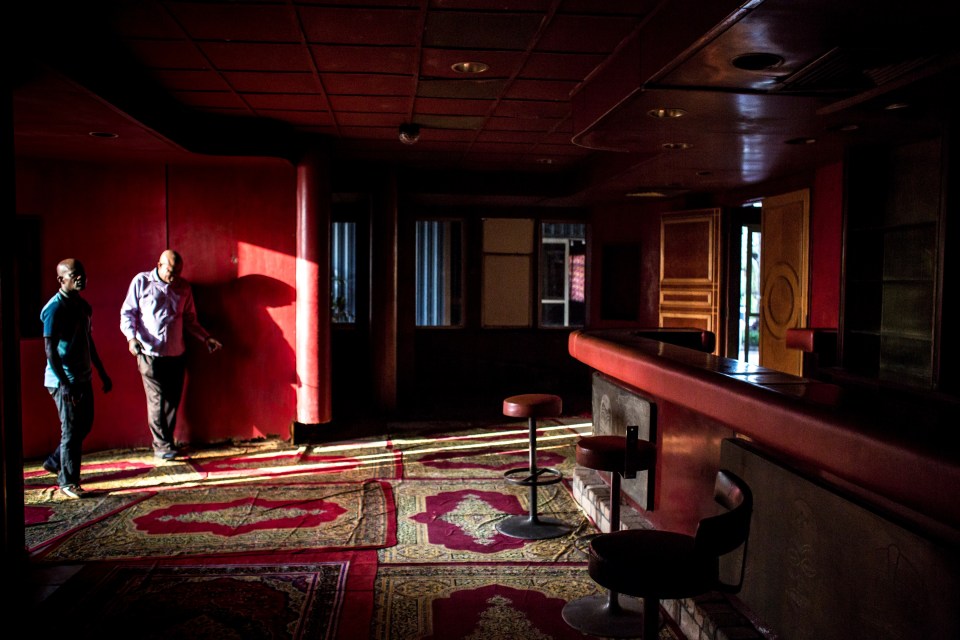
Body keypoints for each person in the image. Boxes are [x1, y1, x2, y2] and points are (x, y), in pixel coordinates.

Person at [120, 249, 222, 460]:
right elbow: (128, 313)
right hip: (149, 353)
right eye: (170, 271)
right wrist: (132, 338)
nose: (173, 276)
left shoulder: (184, 288)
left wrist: (206, 338)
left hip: (176, 353)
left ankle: (166, 442)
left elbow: (189, 319)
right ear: (159, 265)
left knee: (171, 402)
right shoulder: (141, 282)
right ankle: (161, 446)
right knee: (157, 400)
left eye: (177, 272)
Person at [41, 258, 112, 499]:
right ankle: (68, 481)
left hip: (83, 377)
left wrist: (101, 372)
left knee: (85, 425)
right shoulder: (54, 308)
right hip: (63, 380)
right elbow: (49, 349)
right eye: (74, 275)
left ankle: (54, 460)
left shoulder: (84, 307)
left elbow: (87, 341)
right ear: (62, 280)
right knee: (70, 430)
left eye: (82, 273)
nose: (81, 278)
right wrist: (65, 383)